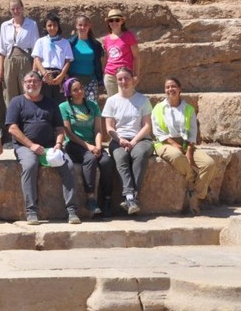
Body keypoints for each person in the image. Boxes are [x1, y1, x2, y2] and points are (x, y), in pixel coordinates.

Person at [6, 71, 80, 225]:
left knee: (68, 165)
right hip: (25, 146)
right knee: (30, 165)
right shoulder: (16, 102)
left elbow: (60, 128)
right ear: (23, 84)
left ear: (41, 84)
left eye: (35, 81)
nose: (31, 84)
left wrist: (59, 145)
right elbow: (12, 128)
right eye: (28, 81)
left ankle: (72, 210)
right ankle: (31, 211)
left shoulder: (51, 103)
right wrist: (31, 145)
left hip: (50, 146)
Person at [153, 77, 213, 215]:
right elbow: (158, 131)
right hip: (164, 142)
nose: (170, 90)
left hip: (186, 143)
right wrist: (174, 144)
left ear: (180, 89)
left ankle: (196, 194)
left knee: (209, 164)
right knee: (176, 156)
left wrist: (190, 151)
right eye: (167, 87)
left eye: (173, 86)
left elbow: (192, 132)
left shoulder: (188, 109)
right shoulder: (158, 108)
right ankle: (195, 182)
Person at [102, 66, 153, 216]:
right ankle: (131, 197)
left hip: (141, 139)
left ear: (133, 80)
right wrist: (120, 139)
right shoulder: (111, 101)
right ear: (116, 81)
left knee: (139, 154)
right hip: (118, 139)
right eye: (120, 79)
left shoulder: (143, 100)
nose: (123, 81)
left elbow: (147, 126)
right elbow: (109, 127)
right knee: (121, 156)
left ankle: (131, 197)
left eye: (127, 78)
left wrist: (134, 141)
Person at [60, 77, 114, 217]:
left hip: (93, 144)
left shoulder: (93, 105)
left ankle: (107, 199)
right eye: (75, 90)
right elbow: (69, 133)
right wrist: (89, 147)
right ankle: (90, 198)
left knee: (106, 161)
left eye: (81, 88)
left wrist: (97, 146)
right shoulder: (63, 107)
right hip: (74, 144)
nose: (79, 92)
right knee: (90, 159)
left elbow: (98, 130)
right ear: (69, 93)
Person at [0, 0, 39, 113]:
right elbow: (2, 50)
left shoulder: (31, 24)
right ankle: (12, 124)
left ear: (22, 8)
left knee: (27, 91)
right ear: (10, 10)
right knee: (9, 93)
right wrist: (0, 70)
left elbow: (36, 50)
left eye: (18, 8)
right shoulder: (5, 26)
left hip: (25, 60)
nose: (16, 11)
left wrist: (34, 71)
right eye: (13, 9)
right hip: (9, 61)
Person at [31, 13, 73, 104]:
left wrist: (61, 76)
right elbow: (37, 59)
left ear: (58, 26)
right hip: (44, 76)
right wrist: (45, 74)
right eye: (49, 25)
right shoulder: (40, 41)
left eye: (55, 25)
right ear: (45, 27)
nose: (52, 28)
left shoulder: (65, 43)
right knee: (44, 102)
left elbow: (68, 61)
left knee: (59, 104)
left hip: (59, 76)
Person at [68, 13, 105, 102]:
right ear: (76, 26)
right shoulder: (70, 43)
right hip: (73, 80)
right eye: (80, 25)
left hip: (91, 79)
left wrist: (100, 79)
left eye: (85, 25)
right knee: (75, 105)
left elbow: (99, 62)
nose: (82, 27)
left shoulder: (96, 45)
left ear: (89, 26)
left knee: (92, 105)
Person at [103, 8, 140, 96]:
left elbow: (136, 57)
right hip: (110, 76)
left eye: (117, 20)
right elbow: (109, 57)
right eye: (111, 20)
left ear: (122, 21)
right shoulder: (106, 39)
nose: (114, 23)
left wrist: (136, 75)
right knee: (113, 102)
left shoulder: (128, 36)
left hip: (125, 75)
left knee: (127, 100)